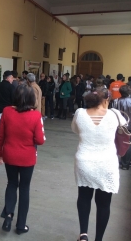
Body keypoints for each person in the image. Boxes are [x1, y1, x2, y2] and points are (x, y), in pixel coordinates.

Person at [72, 87, 126, 241]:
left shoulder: (80, 113)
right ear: (107, 100)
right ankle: (99, 239)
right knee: (103, 204)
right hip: (107, 163)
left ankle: (83, 234)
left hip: (84, 162)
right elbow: (124, 129)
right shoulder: (115, 115)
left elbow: (75, 130)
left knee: (83, 197)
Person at [0, 84, 45, 235]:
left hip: (10, 154)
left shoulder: (7, 111)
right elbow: (40, 140)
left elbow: (1, 135)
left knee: (11, 184)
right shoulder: (36, 115)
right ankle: (21, 225)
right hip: (27, 157)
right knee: (24, 188)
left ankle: (9, 214)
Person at [0, 71, 15, 152]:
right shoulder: (11, 87)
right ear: (8, 78)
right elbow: (14, 99)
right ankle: (7, 146)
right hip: (9, 111)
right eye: (12, 78)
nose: (13, 79)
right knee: (8, 129)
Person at [112, 85, 131, 170]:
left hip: (119, 125)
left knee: (121, 143)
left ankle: (121, 161)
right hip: (129, 125)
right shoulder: (130, 102)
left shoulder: (116, 101)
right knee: (128, 144)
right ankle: (125, 163)